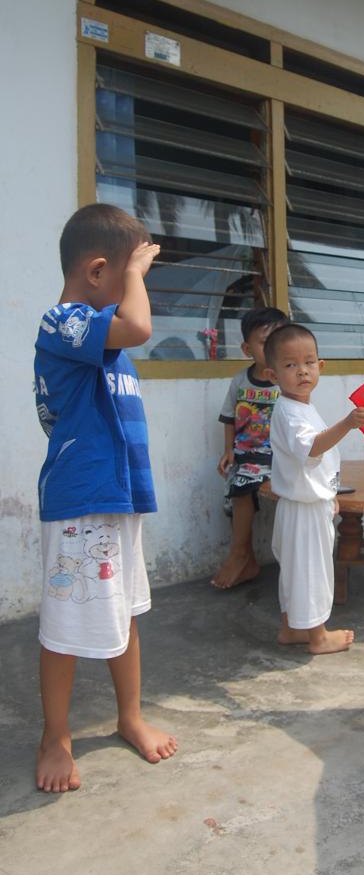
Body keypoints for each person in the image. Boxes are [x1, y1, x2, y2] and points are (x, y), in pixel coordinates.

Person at [33, 203, 177, 794]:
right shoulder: (61, 321)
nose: (136, 292)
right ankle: (55, 736)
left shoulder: (99, 339)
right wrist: (137, 278)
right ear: (97, 272)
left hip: (116, 498)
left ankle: (129, 716)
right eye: (130, 277)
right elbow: (139, 327)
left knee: (125, 613)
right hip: (79, 501)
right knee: (65, 625)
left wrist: (135, 275)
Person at [263, 323, 364, 654]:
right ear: (272, 374)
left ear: (320, 367)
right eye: (290, 365)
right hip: (303, 510)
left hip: (306, 503)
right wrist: (348, 424)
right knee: (310, 572)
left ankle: (290, 629)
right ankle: (318, 637)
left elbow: (315, 465)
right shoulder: (291, 413)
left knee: (295, 572)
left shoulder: (301, 408)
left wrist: (330, 494)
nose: (302, 371)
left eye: (309, 362)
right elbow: (313, 448)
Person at [212, 307, 288, 589]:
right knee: (238, 484)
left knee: (252, 483)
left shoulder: (286, 382)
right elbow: (229, 417)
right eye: (264, 342)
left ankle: (241, 556)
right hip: (247, 454)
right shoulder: (240, 381)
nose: (272, 348)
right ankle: (243, 555)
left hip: (278, 456)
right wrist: (228, 450)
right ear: (247, 348)